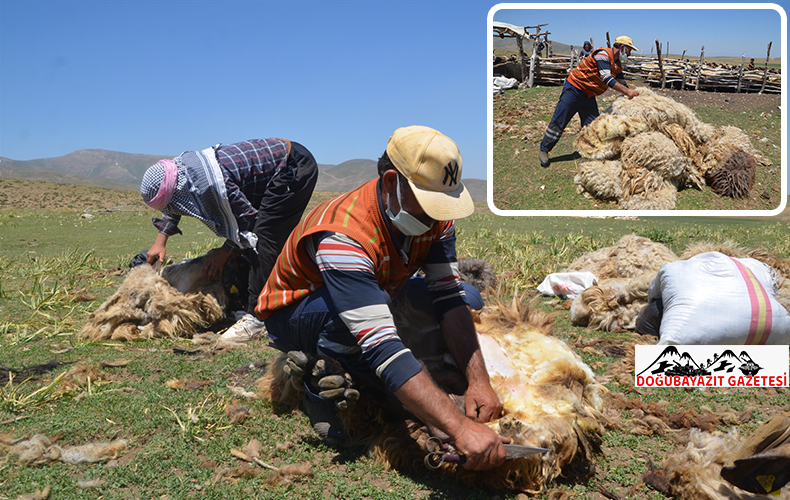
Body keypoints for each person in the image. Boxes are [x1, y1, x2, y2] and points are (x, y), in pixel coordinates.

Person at [255, 125, 509, 471]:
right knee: (353, 327)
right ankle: (323, 383)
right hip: (299, 311)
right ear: (392, 183)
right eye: (429, 203)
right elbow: (380, 343)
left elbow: (449, 298)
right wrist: (456, 425)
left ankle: (405, 380)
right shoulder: (342, 235)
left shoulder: (433, 219)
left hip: (379, 290)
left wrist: (479, 381)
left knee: (469, 297)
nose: (438, 215)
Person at [140, 138, 318, 341]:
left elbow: (249, 224)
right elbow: (173, 199)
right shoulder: (180, 172)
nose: (172, 209)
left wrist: (224, 253)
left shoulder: (211, 186)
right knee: (255, 242)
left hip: (292, 167)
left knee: (265, 239)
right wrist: (160, 240)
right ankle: (258, 292)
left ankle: (256, 317)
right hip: (274, 166)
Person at [539, 35, 641, 168]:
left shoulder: (617, 65)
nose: (629, 54)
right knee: (560, 119)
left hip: (589, 95)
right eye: (629, 50)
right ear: (622, 48)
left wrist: (632, 93)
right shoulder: (602, 55)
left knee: (592, 125)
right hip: (574, 90)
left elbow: (622, 83)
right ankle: (544, 149)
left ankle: (587, 150)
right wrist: (627, 92)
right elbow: (607, 78)